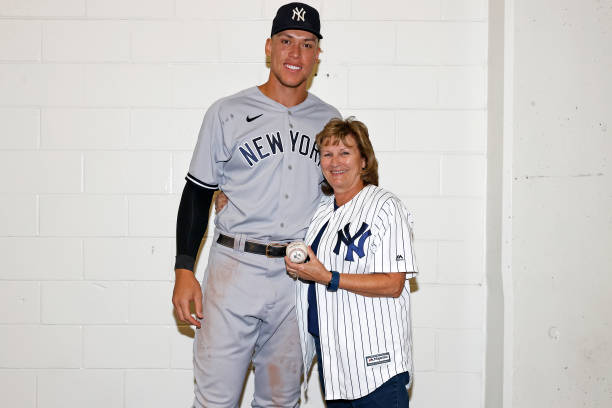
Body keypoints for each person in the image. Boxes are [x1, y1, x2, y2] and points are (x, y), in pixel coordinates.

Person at [171, 2, 341, 407]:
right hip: (235, 270)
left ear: (318, 54)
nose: (295, 54)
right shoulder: (227, 112)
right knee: (215, 400)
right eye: (286, 41)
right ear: (269, 47)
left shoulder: (330, 121)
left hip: (297, 277)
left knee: (281, 401)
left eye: (306, 44)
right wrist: (183, 269)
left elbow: (346, 202)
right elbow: (197, 192)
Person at [285, 118, 418, 407]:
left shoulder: (385, 206)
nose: (335, 162)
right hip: (334, 363)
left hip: (377, 366)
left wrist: (328, 276)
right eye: (327, 154)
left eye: (345, 152)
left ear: (364, 160)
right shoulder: (321, 211)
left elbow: (393, 284)